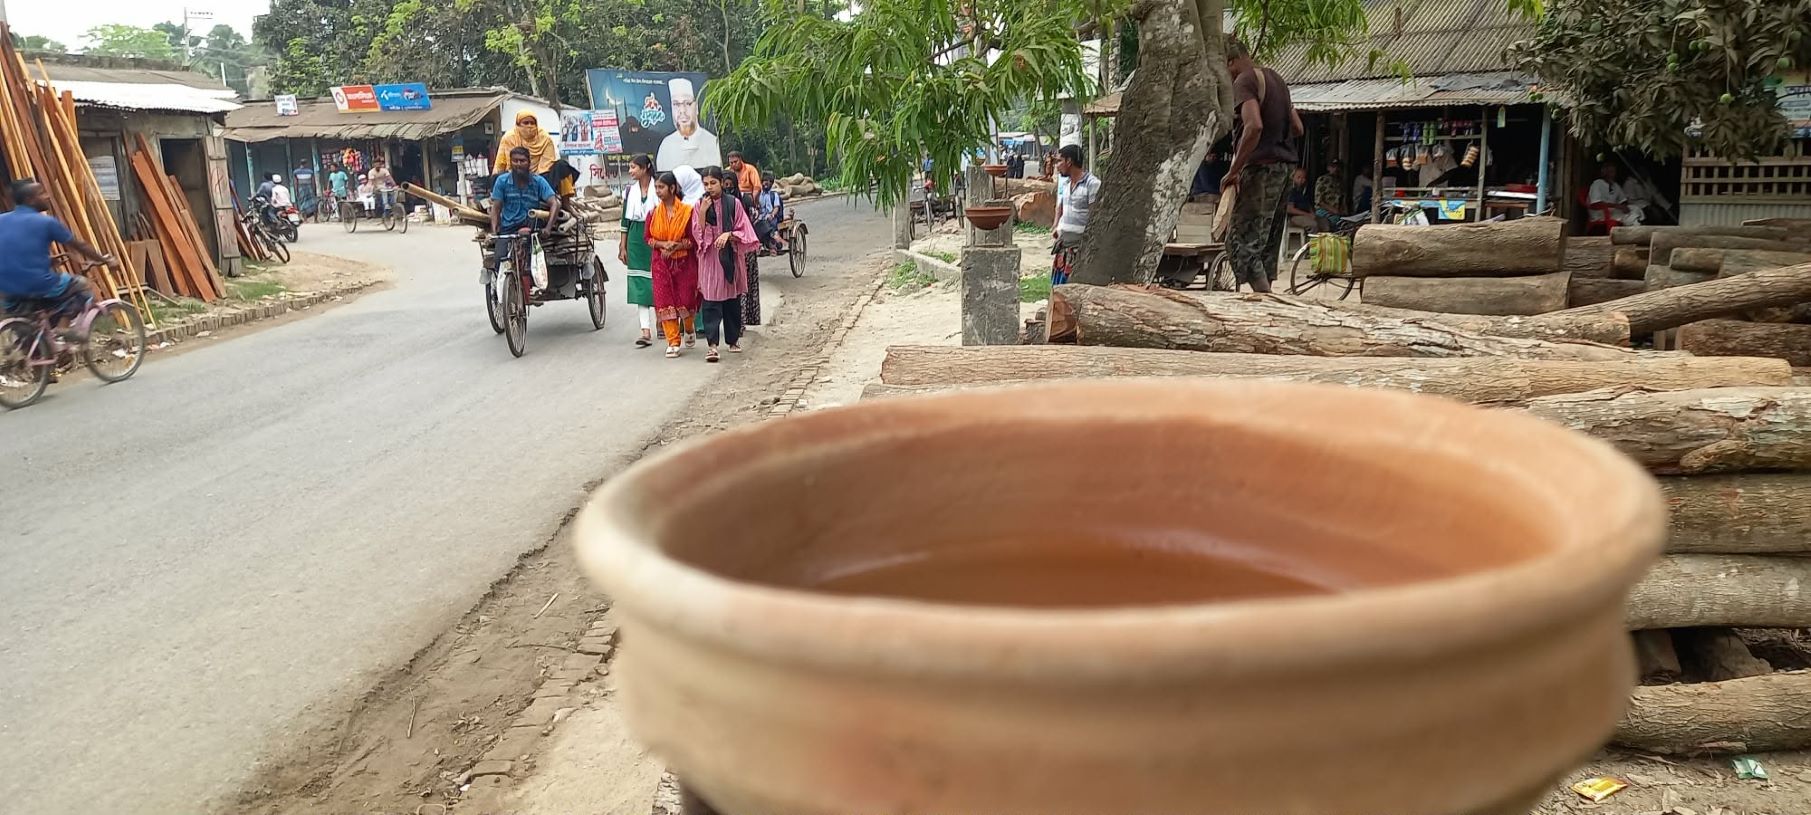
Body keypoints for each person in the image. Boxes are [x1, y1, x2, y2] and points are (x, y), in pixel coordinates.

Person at [1220, 34, 1303, 293]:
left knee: (1240, 242)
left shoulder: (1245, 81)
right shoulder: (1276, 79)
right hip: (1285, 169)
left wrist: (1234, 170)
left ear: (1231, 61)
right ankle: (1270, 305)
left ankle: (1264, 298)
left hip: (1261, 169)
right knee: (1267, 242)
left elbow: (1253, 126)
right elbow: (1298, 128)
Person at [0, 179, 117, 332]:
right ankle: (62, 330)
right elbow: (79, 245)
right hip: (37, 284)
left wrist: (47, 262)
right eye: (41, 193)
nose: (47, 196)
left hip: (6, 288)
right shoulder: (46, 222)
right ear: (30, 200)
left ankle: (40, 341)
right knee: (82, 285)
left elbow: (15, 251)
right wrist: (105, 260)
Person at [690, 165, 758, 363]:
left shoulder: (733, 203)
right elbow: (698, 234)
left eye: (713, 183)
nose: (709, 187)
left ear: (721, 182)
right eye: (706, 184)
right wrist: (703, 212)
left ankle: (733, 340)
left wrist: (729, 234)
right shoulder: (699, 204)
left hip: (729, 258)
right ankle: (712, 346)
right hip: (710, 260)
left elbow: (744, 228)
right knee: (710, 302)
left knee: (731, 302)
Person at [489, 147, 562, 298]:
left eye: (522, 161)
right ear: (510, 163)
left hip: (530, 226)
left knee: (532, 260)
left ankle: (534, 286)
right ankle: (499, 288)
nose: (518, 164)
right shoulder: (502, 181)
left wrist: (548, 228)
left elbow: (555, 203)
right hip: (508, 228)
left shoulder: (538, 181)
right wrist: (494, 228)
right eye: (515, 161)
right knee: (498, 258)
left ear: (529, 163)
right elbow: (495, 208)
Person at [646, 171, 699, 358]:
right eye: (656, 188)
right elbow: (649, 238)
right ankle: (673, 341)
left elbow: (693, 240)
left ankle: (689, 327)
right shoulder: (653, 213)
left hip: (684, 262)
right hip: (661, 262)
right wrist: (662, 245)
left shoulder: (687, 212)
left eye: (661, 187)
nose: (658, 191)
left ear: (672, 188)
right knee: (664, 301)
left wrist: (676, 245)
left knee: (686, 300)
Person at [620, 154, 660, 347]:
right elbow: (625, 220)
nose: (630, 171)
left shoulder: (659, 188)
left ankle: (662, 320)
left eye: (633, 167)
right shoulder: (630, 191)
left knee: (659, 280)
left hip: (655, 236)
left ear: (645, 168)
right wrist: (622, 245)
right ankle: (645, 330)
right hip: (636, 239)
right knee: (639, 284)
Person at [1049, 144, 1101, 286]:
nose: (1057, 166)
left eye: (1059, 161)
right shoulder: (1066, 184)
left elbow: (1094, 216)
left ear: (1069, 161)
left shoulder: (1092, 184)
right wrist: (1056, 226)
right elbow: (1060, 207)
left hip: (1078, 249)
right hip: (1063, 246)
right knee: (1058, 291)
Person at [656, 78, 722, 171]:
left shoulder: (711, 142)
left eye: (688, 103)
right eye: (676, 104)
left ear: (697, 107)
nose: (682, 110)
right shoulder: (666, 145)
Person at [495, 112, 559, 175]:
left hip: (541, 177)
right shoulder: (509, 137)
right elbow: (501, 163)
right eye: (526, 123)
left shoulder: (545, 139)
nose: (529, 126)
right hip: (513, 176)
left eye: (532, 123)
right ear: (518, 124)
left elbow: (546, 166)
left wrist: (535, 180)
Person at [1588, 161, 1642, 227]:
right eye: (1610, 172)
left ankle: (1636, 226)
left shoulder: (1615, 185)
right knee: (1629, 217)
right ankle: (1634, 228)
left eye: (1613, 172)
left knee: (1635, 208)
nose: (1612, 175)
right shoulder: (1597, 184)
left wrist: (1624, 206)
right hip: (1600, 213)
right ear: (1604, 173)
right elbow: (1595, 204)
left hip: (1613, 211)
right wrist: (1616, 206)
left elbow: (1623, 200)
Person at [754, 173, 786, 254]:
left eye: (768, 182)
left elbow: (776, 207)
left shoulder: (774, 195)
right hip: (761, 217)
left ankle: (774, 242)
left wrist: (772, 215)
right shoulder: (759, 194)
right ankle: (760, 244)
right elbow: (757, 206)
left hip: (771, 216)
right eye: (764, 181)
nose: (765, 183)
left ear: (771, 183)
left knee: (771, 223)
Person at [1314, 159, 1344, 226]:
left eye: (1337, 167)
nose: (1336, 169)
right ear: (1328, 168)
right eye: (1333, 167)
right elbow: (1319, 201)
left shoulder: (1339, 181)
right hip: (1323, 210)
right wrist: (1333, 210)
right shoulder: (1322, 179)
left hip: (1336, 211)